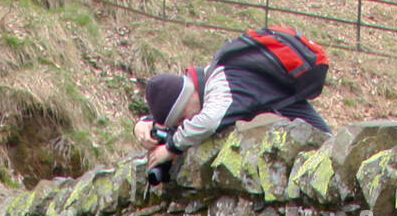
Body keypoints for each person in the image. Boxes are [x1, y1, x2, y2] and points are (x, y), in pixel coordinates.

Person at [135, 49, 331, 176]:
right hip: (286, 111)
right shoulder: (212, 79)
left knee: (329, 152)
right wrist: (144, 124)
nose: (186, 122)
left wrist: (170, 147)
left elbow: (209, 121)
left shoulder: (222, 82)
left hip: (296, 116)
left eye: (182, 117)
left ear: (187, 96)